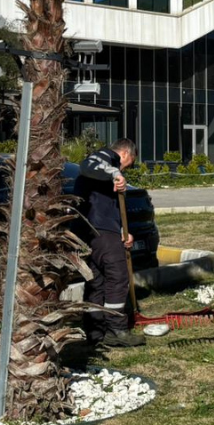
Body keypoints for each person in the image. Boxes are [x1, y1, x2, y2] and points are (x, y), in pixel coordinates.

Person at [75, 138, 144, 348]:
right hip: (101, 230)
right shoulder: (107, 157)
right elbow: (88, 165)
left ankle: (96, 332)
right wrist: (115, 172)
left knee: (97, 282)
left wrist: (124, 232)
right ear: (125, 154)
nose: (126, 168)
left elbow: (110, 205)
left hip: (90, 231)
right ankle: (117, 330)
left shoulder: (104, 175)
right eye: (128, 164)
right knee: (118, 276)